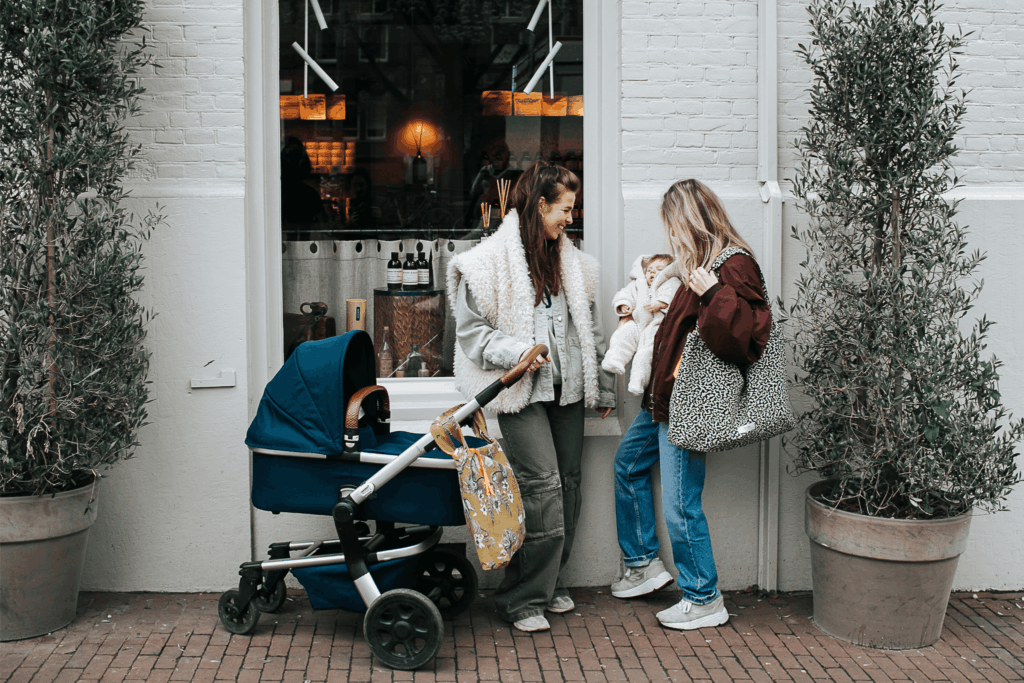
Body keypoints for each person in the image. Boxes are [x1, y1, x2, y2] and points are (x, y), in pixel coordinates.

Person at [448, 161, 616, 633]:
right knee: (541, 488)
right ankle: (522, 599)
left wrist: (601, 386)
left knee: (569, 484)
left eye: (573, 209)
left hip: (566, 391)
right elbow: (471, 334)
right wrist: (520, 350)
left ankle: (546, 581)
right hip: (518, 390)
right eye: (564, 208)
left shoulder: (574, 264)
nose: (570, 218)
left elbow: (590, 330)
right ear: (539, 205)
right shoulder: (485, 265)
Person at [610, 179, 771, 630]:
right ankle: (643, 563)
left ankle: (703, 596)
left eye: (672, 225)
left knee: (681, 502)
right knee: (627, 466)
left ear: (689, 221)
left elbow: (747, 338)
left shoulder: (734, 265)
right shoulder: (697, 262)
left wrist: (711, 293)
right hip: (663, 398)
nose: (670, 236)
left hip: (689, 401)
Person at [602, 253, 681, 395]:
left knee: (645, 352)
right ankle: (614, 360)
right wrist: (624, 304)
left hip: (656, 326)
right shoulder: (638, 284)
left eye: (659, 269)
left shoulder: (671, 281)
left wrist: (662, 302)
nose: (653, 273)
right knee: (623, 334)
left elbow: (674, 293)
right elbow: (624, 294)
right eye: (650, 270)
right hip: (638, 322)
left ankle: (638, 382)